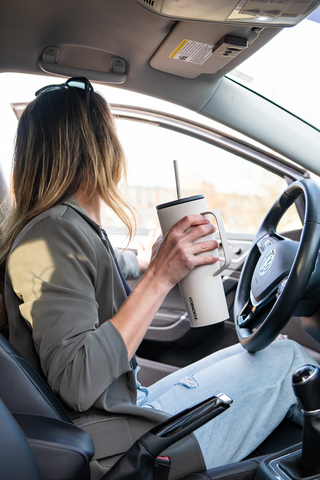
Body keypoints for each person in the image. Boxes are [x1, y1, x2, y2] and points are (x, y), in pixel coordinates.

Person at [0, 77, 317, 480]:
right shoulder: (51, 234)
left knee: (263, 349)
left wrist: (152, 266)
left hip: (122, 409)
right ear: (98, 149)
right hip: (116, 448)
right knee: (287, 359)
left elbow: (102, 269)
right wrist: (161, 277)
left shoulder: (64, 228)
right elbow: (76, 381)